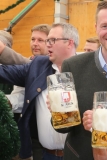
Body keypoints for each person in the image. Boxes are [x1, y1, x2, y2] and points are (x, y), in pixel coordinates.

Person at [51, 0, 107, 159]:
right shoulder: (73, 65)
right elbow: (63, 128)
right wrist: (58, 114)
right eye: (105, 26)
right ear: (96, 28)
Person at [0, 22, 78, 160]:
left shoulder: (87, 69)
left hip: (77, 155)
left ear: (69, 43)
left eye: (52, 40)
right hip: (46, 155)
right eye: (47, 40)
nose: (48, 44)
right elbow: (6, 72)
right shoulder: (39, 65)